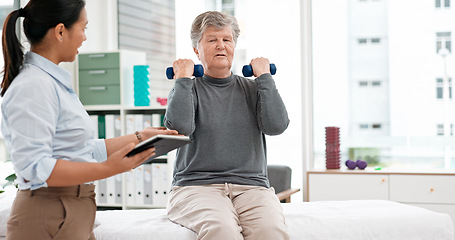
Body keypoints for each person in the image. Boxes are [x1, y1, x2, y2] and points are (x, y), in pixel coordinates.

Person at [0, 1, 178, 239]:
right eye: (83, 28)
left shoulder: (52, 82)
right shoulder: (33, 86)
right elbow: (34, 168)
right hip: (48, 216)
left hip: (71, 213)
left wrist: (139, 137)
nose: (84, 37)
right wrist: (107, 169)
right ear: (61, 31)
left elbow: (80, 150)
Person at [164, 11, 290, 240]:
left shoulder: (254, 89)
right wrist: (182, 79)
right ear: (196, 50)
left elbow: (277, 125)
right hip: (196, 187)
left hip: (252, 188)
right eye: (212, 40)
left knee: (271, 232)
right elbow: (180, 128)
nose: (221, 46)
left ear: (234, 45)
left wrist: (265, 79)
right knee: (222, 231)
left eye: (227, 40)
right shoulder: (187, 89)